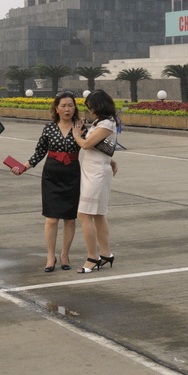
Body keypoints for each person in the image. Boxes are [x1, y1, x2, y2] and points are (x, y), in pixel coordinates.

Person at [10, 92, 82, 272]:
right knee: (51, 219)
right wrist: (24, 167)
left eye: (70, 105)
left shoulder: (81, 127)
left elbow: (91, 147)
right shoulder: (49, 128)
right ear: (56, 109)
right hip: (52, 175)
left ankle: (64, 254)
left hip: (72, 175)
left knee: (70, 218)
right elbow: (40, 152)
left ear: (75, 108)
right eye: (63, 106)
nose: (67, 109)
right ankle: (51, 256)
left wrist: (109, 161)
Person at [71, 89, 119, 273]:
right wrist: (111, 159)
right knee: (98, 214)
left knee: (84, 214)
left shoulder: (107, 123)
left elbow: (86, 144)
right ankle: (106, 254)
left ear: (99, 106)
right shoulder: (101, 123)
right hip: (93, 170)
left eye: (91, 107)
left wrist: (76, 134)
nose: (89, 111)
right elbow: (102, 147)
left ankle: (93, 257)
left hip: (97, 174)